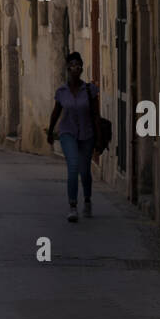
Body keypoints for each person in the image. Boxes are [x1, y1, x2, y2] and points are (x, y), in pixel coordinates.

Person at [46, 52, 100, 222]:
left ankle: (87, 200)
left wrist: (98, 137)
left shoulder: (89, 90)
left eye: (78, 65)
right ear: (68, 69)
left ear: (82, 68)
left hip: (87, 134)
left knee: (85, 171)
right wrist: (50, 132)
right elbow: (56, 113)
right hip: (67, 132)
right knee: (73, 166)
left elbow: (95, 114)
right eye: (72, 65)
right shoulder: (61, 92)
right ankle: (73, 206)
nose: (75, 68)